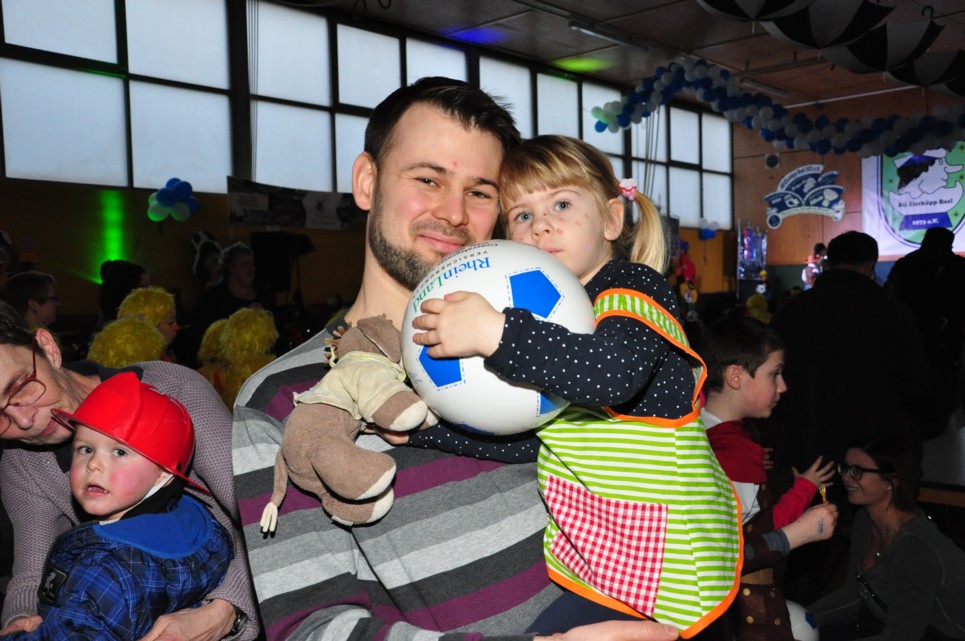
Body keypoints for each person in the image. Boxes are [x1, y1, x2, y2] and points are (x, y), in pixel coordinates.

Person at [232, 77, 680, 641]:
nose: (454, 213)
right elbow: (310, 627)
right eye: (428, 179)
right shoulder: (288, 398)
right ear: (367, 182)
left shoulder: (551, 343)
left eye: (480, 192)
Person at [409, 135, 742, 634]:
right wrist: (422, 428)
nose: (541, 224)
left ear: (611, 220)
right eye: (522, 214)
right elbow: (531, 439)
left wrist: (496, 332)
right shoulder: (554, 327)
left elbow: (612, 374)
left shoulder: (631, 287)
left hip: (677, 563)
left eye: (561, 204)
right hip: (615, 562)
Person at [0, 300, 257, 640]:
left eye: (21, 386)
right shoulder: (21, 461)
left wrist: (226, 611)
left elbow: (264, 518)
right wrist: (21, 621)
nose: (23, 420)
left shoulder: (175, 391)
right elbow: (32, 575)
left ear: (47, 347)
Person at [768, 231, 931, 603]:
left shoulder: (794, 310)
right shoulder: (891, 311)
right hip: (875, 457)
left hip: (809, 452)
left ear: (828, 261)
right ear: (870, 265)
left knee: (808, 548)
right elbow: (919, 386)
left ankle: (801, 617)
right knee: (878, 543)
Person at [699, 315, 838, 641]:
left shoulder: (707, 435)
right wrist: (799, 531)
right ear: (735, 376)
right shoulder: (731, 451)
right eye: (774, 374)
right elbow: (723, 558)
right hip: (742, 620)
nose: (783, 386)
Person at [809, 437, 965, 640]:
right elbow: (855, 594)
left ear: (892, 481)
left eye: (857, 471)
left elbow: (902, 635)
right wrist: (803, 616)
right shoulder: (865, 522)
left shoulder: (915, 547)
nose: (846, 477)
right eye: (845, 468)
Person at [884, 227, 965, 439]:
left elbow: (890, 298)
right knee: (942, 402)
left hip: (908, 343)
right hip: (946, 346)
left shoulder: (906, 264)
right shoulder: (957, 266)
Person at [181, 243, 275, 367]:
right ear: (231, 267)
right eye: (245, 264)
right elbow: (199, 338)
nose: (251, 269)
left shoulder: (265, 294)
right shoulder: (210, 299)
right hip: (226, 367)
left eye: (252, 264)